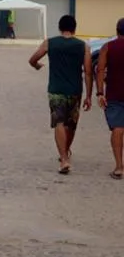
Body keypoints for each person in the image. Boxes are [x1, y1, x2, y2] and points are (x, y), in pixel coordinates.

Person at [28, 15, 93, 175]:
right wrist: (89, 95)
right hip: (75, 90)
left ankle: (64, 158)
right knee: (71, 124)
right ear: (74, 28)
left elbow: (33, 59)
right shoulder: (83, 46)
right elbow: (88, 71)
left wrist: (37, 66)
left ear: (59, 27)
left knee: (59, 123)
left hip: (56, 90)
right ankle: (66, 152)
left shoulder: (50, 42)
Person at [96, 18, 124, 180]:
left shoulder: (108, 47)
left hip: (114, 93)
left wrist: (100, 92)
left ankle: (119, 167)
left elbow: (100, 70)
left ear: (116, 30)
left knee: (118, 128)